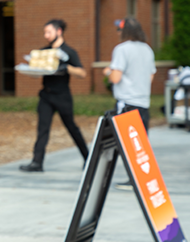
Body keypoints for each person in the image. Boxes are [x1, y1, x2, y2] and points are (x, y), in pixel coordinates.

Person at [20, 19, 89, 172]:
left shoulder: (69, 52)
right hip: (46, 96)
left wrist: (67, 68)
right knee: (42, 129)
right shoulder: (44, 52)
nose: (46, 36)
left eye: (49, 32)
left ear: (59, 32)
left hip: (62, 96)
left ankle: (88, 158)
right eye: (45, 33)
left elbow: (82, 73)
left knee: (72, 127)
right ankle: (37, 162)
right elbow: (36, 72)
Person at [103, 17, 156, 190]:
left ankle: (132, 181)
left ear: (125, 32)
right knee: (141, 146)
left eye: (119, 30)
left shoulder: (121, 49)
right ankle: (142, 181)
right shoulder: (147, 50)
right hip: (143, 102)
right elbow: (150, 77)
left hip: (127, 102)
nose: (118, 33)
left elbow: (116, 78)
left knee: (126, 145)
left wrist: (109, 72)